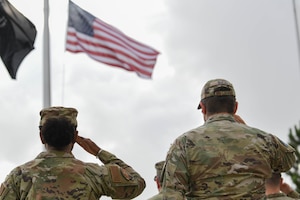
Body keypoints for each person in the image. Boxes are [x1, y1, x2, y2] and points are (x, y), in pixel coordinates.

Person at [154, 78, 296, 200]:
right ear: (235, 107)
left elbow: (172, 195)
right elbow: (288, 160)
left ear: (203, 108)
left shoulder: (183, 143)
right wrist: (248, 130)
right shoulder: (264, 140)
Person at [0, 106, 146, 199]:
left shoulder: (19, 175)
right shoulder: (93, 173)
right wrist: (99, 152)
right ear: (75, 137)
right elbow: (137, 183)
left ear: (41, 137)